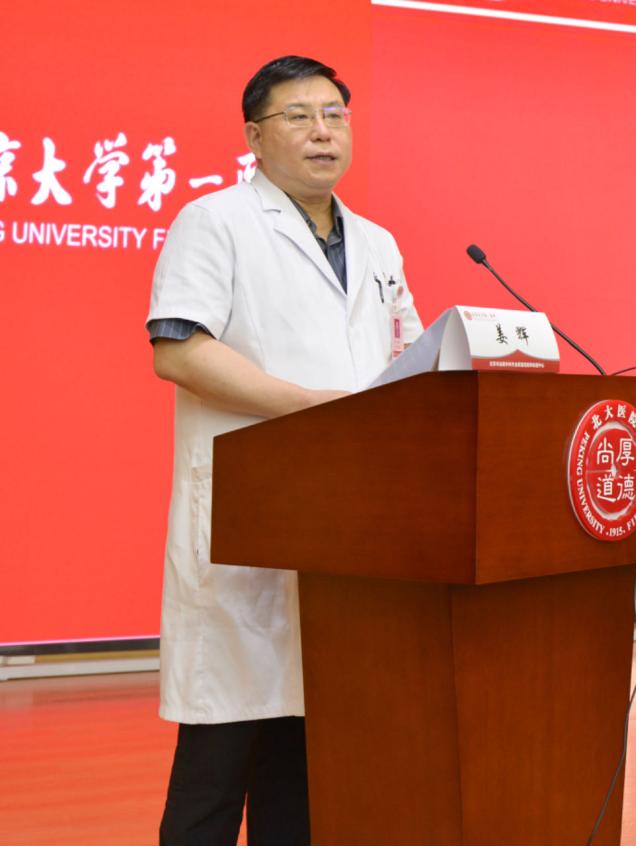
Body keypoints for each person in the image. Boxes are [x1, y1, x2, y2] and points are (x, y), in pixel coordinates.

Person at [146, 55, 423, 845]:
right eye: (298, 116)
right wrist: (314, 409)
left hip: (343, 529)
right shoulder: (215, 220)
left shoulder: (377, 244)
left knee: (305, 759)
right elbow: (179, 350)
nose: (322, 132)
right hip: (248, 515)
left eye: (334, 115)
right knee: (218, 755)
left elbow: (411, 361)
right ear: (254, 136)